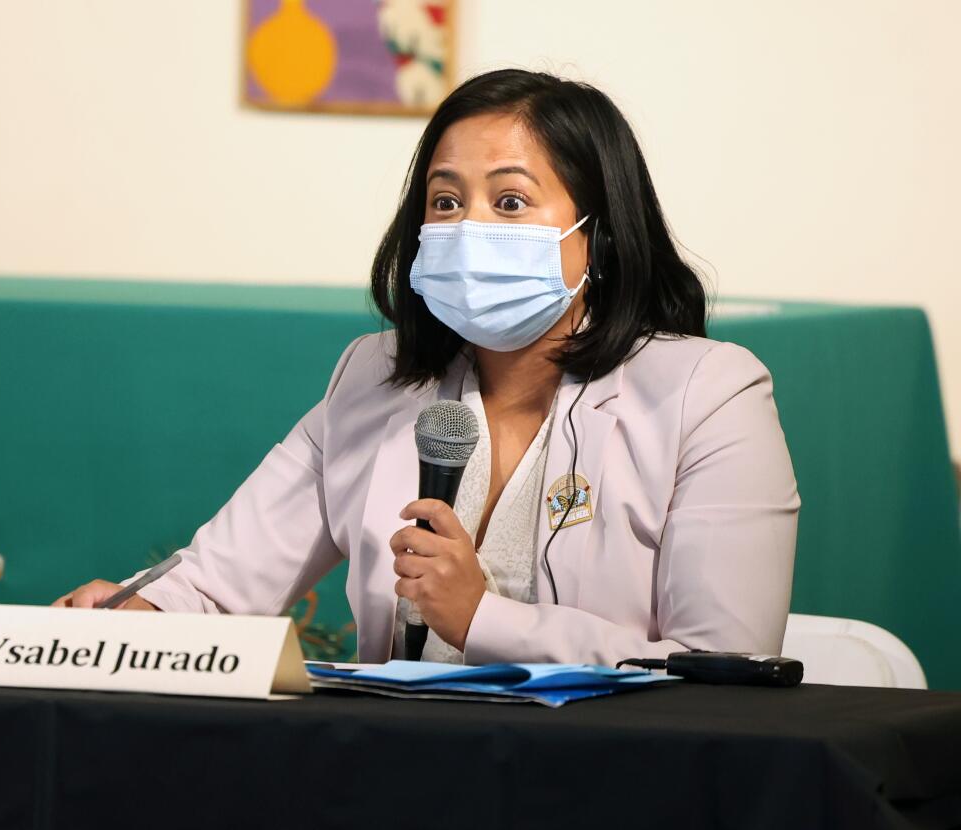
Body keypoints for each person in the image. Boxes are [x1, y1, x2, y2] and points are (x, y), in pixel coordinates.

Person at [54, 69, 799, 667]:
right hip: (397, 774)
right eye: (445, 201)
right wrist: (133, 616)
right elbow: (218, 582)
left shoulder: (709, 393)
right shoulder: (373, 379)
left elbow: (726, 670)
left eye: (510, 201)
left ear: (598, 239)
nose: (468, 227)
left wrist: (485, 621)